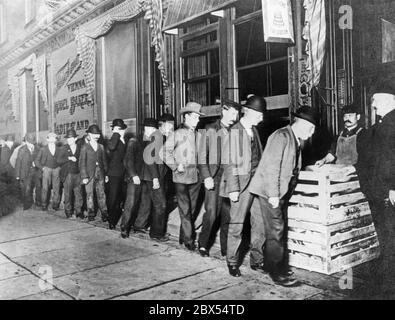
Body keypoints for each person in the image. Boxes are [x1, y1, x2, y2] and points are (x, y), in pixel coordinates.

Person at [249, 106, 316, 287]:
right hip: (270, 191)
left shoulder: (294, 138)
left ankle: (259, 261)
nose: (311, 134)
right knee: (277, 230)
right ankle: (275, 270)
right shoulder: (281, 136)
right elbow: (272, 167)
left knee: (265, 227)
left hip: (278, 191)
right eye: (310, 129)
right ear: (301, 123)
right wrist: (273, 195)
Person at [356, 82, 395, 298]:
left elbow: (391, 159)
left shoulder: (392, 123)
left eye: (376, 100)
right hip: (380, 192)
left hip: (388, 193)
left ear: (390, 100)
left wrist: (392, 187)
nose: (372, 104)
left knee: (390, 237)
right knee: (386, 235)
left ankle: (388, 285)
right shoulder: (382, 124)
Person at [222, 95, 266, 277]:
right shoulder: (234, 131)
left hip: (257, 182)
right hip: (240, 185)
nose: (262, 118)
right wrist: (232, 189)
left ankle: (257, 260)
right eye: (259, 114)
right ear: (248, 112)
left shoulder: (254, 131)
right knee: (237, 225)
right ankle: (232, 262)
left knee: (260, 223)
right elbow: (228, 161)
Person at [197, 99, 240, 257]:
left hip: (230, 179)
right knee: (212, 212)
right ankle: (203, 244)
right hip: (214, 177)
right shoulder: (210, 129)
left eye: (237, 114)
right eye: (232, 113)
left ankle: (225, 248)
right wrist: (206, 176)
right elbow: (201, 156)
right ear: (224, 111)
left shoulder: (236, 130)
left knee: (228, 215)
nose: (235, 117)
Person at [160, 102, 205, 251]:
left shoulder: (198, 135)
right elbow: (163, 152)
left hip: (195, 177)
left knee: (191, 210)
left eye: (198, 117)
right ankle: (189, 240)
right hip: (180, 177)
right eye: (195, 117)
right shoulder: (177, 134)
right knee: (185, 209)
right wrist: (175, 165)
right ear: (186, 117)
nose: (198, 120)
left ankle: (183, 235)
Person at [133, 118, 169, 242]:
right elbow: (150, 159)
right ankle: (157, 233)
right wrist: (155, 178)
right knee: (161, 205)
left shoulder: (151, 138)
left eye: (147, 128)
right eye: (145, 128)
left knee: (146, 201)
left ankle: (139, 225)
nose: (145, 131)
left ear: (154, 129)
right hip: (153, 176)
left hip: (146, 176)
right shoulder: (156, 137)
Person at [80, 125, 109, 222]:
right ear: (89, 134)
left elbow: (104, 161)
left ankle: (104, 213)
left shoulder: (101, 147)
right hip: (89, 174)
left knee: (101, 193)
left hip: (100, 173)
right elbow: (82, 163)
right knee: (89, 194)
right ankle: (91, 213)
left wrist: (106, 174)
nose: (96, 136)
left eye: (98, 134)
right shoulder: (85, 147)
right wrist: (84, 176)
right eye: (94, 134)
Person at [120, 129, 145, 239]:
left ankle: (136, 225)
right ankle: (124, 227)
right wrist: (133, 175)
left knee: (139, 203)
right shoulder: (133, 142)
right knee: (130, 203)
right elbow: (127, 160)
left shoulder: (145, 142)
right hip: (134, 178)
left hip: (142, 177)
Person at [106, 119, 128, 230]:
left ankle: (119, 219)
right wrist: (115, 133)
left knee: (121, 198)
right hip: (114, 174)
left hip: (123, 174)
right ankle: (111, 221)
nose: (122, 131)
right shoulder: (114, 139)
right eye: (120, 129)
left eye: (122, 129)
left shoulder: (124, 140)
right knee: (113, 198)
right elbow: (111, 147)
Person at [58, 129, 83, 219]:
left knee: (78, 194)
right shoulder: (63, 148)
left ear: (75, 139)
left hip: (78, 174)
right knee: (68, 194)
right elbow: (58, 160)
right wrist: (69, 158)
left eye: (71, 138)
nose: (69, 140)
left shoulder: (80, 148)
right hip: (67, 174)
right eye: (68, 139)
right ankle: (68, 212)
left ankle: (78, 212)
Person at [35, 132, 62, 211]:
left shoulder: (59, 149)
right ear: (47, 139)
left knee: (56, 187)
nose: (52, 139)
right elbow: (36, 160)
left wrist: (59, 167)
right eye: (50, 138)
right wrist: (42, 168)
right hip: (46, 169)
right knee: (45, 188)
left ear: (56, 139)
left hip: (56, 169)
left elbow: (62, 159)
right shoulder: (43, 149)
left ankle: (55, 204)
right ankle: (44, 204)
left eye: (54, 138)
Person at [15, 133, 42, 210]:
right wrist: (17, 175)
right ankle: (27, 204)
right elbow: (18, 162)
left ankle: (38, 203)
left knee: (39, 187)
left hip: (36, 171)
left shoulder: (38, 149)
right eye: (29, 142)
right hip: (26, 172)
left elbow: (41, 159)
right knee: (27, 188)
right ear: (26, 141)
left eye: (32, 142)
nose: (31, 144)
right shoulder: (22, 150)